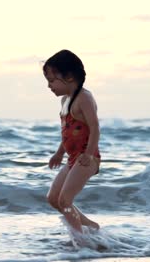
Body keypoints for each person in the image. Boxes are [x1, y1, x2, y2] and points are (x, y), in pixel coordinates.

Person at [43, 49, 101, 234]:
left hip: (87, 158)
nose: (49, 86)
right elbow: (67, 131)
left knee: (65, 201)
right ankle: (90, 227)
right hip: (73, 158)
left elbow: (94, 127)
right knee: (53, 199)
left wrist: (89, 154)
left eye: (52, 80)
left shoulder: (84, 98)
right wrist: (59, 152)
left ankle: (80, 241)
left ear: (68, 77)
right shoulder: (65, 101)